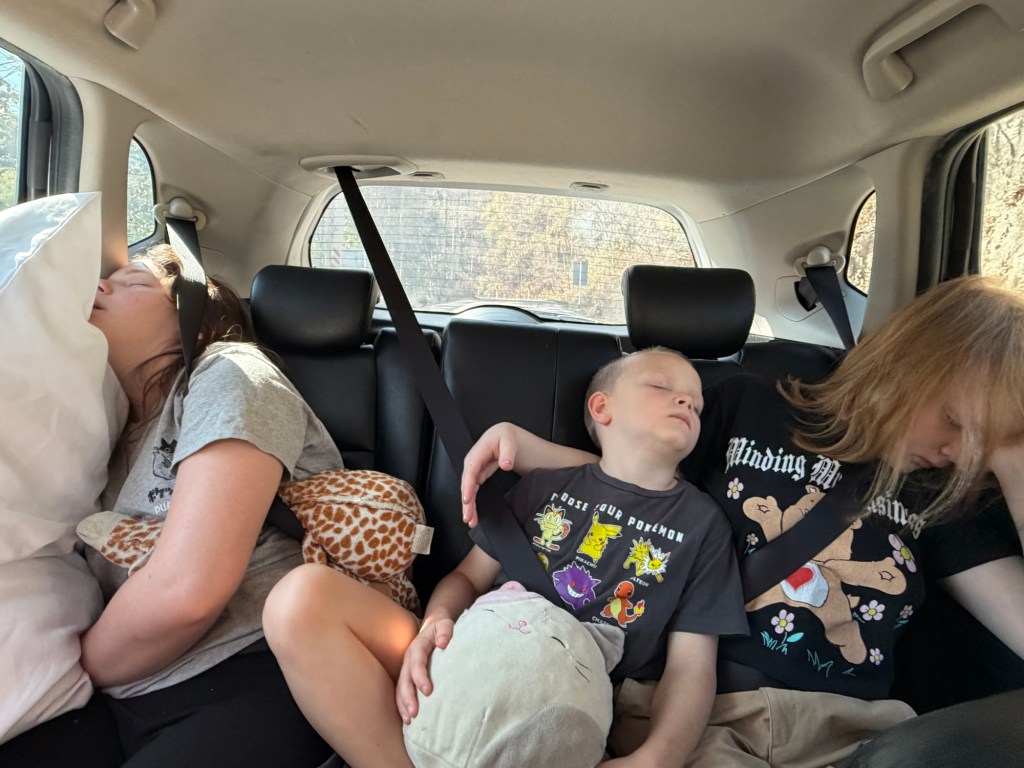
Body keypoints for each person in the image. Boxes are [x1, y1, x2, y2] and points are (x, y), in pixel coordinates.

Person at [459, 276, 1024, 768]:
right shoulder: (748, 406)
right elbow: (636, 486)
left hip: (855, 735)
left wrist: (1013, 457)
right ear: (909, 363)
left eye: (982, 440)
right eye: (955, 420)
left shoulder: (941, 495)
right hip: (700, 713)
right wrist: (529, 449)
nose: (958, 450)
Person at [262, 347, 749, 767]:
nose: (687, 400)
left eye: (697, 402)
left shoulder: (704, 526)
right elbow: (467, 579)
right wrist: (435, 623)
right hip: (478, 656)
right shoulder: (541, 487)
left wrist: (659, 755)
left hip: (577, 702)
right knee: (300, 598)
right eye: (662, 386)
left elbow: (692, 667)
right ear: (602, 407)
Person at [0, 244, 342, 768]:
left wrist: (74, 664)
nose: (100, 286)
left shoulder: (232, 373)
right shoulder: (106, 427)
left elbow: (189, 590)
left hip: (253, 671)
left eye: (134, 283)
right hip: (130, 692)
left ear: (196, 320)